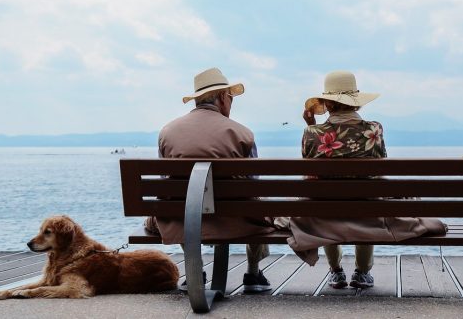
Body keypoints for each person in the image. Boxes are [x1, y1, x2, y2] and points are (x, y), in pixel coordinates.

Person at [290, 70, 447, 290]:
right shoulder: (374, 129)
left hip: (324, 212)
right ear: (356, 102)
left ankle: (336, 272)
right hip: (367, 210)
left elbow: (310, 170)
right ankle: (362, 272)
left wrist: (312, 125)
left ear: (327, 103)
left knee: (321, 202)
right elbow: (380, 163)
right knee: (368, 199)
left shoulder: (311, 132)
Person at [144, 67, 274, 293]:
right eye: (231, 97)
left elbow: (165, 182)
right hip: (236, 221)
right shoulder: (243, 134)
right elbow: (254, 184)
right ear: (223, 97)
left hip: (180, 220)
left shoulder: (168, 132)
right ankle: (253, 273)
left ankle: (195, 271)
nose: (231, 102)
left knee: (179, 204)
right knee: (257, 203)